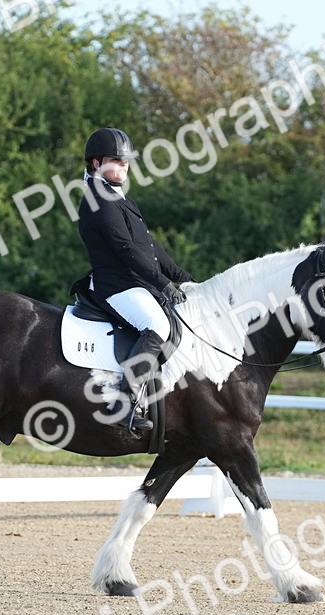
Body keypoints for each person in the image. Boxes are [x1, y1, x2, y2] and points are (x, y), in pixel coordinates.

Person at [77, 127, 193, 437]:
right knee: (158, 326)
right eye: (117, 160)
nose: (124, 167)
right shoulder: (98, 200)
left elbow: (150, 247)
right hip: (117, 287)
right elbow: (127, 251)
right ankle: (123, 401)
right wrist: (161, 283)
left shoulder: (116, 196)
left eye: (127, 162)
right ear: (96, 163)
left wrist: (182, 278)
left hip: (136, 283)